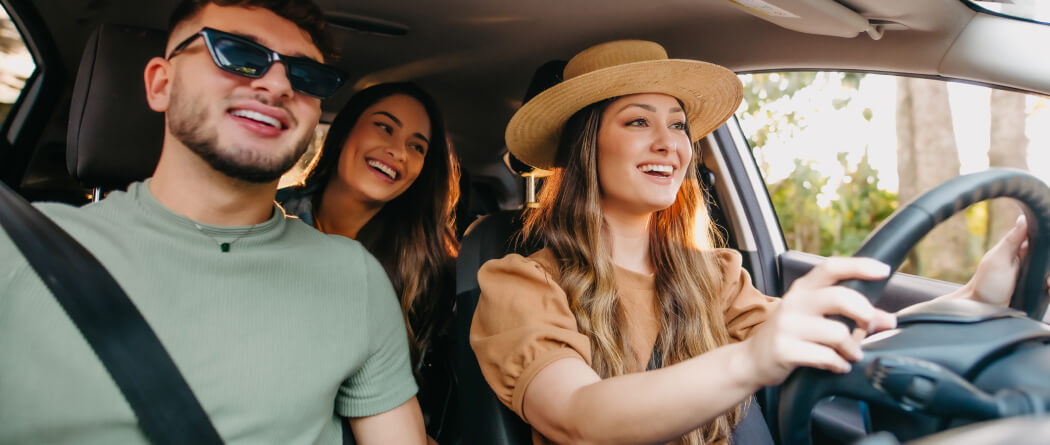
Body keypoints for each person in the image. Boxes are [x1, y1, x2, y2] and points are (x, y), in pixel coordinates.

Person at [470, 40, 1031, 445]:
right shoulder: (520, 283)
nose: (670, 143)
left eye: (679, 125)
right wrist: (752, 360)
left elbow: (828, 338)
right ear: (585, 148)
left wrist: (974, 297)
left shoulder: (713, 275)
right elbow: (576, 415)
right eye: (638, 122)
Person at [0, 1, 426, 443]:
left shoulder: (355, 279)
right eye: (238, 54)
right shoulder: (16, 250)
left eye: (306, 77)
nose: (279, 84)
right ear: (160, 83)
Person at [277, 82, 459, 442]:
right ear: (345, 131)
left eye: (417, 146)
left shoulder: (430, 271)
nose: (397, 151)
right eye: (385, 127)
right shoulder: (268, 218)